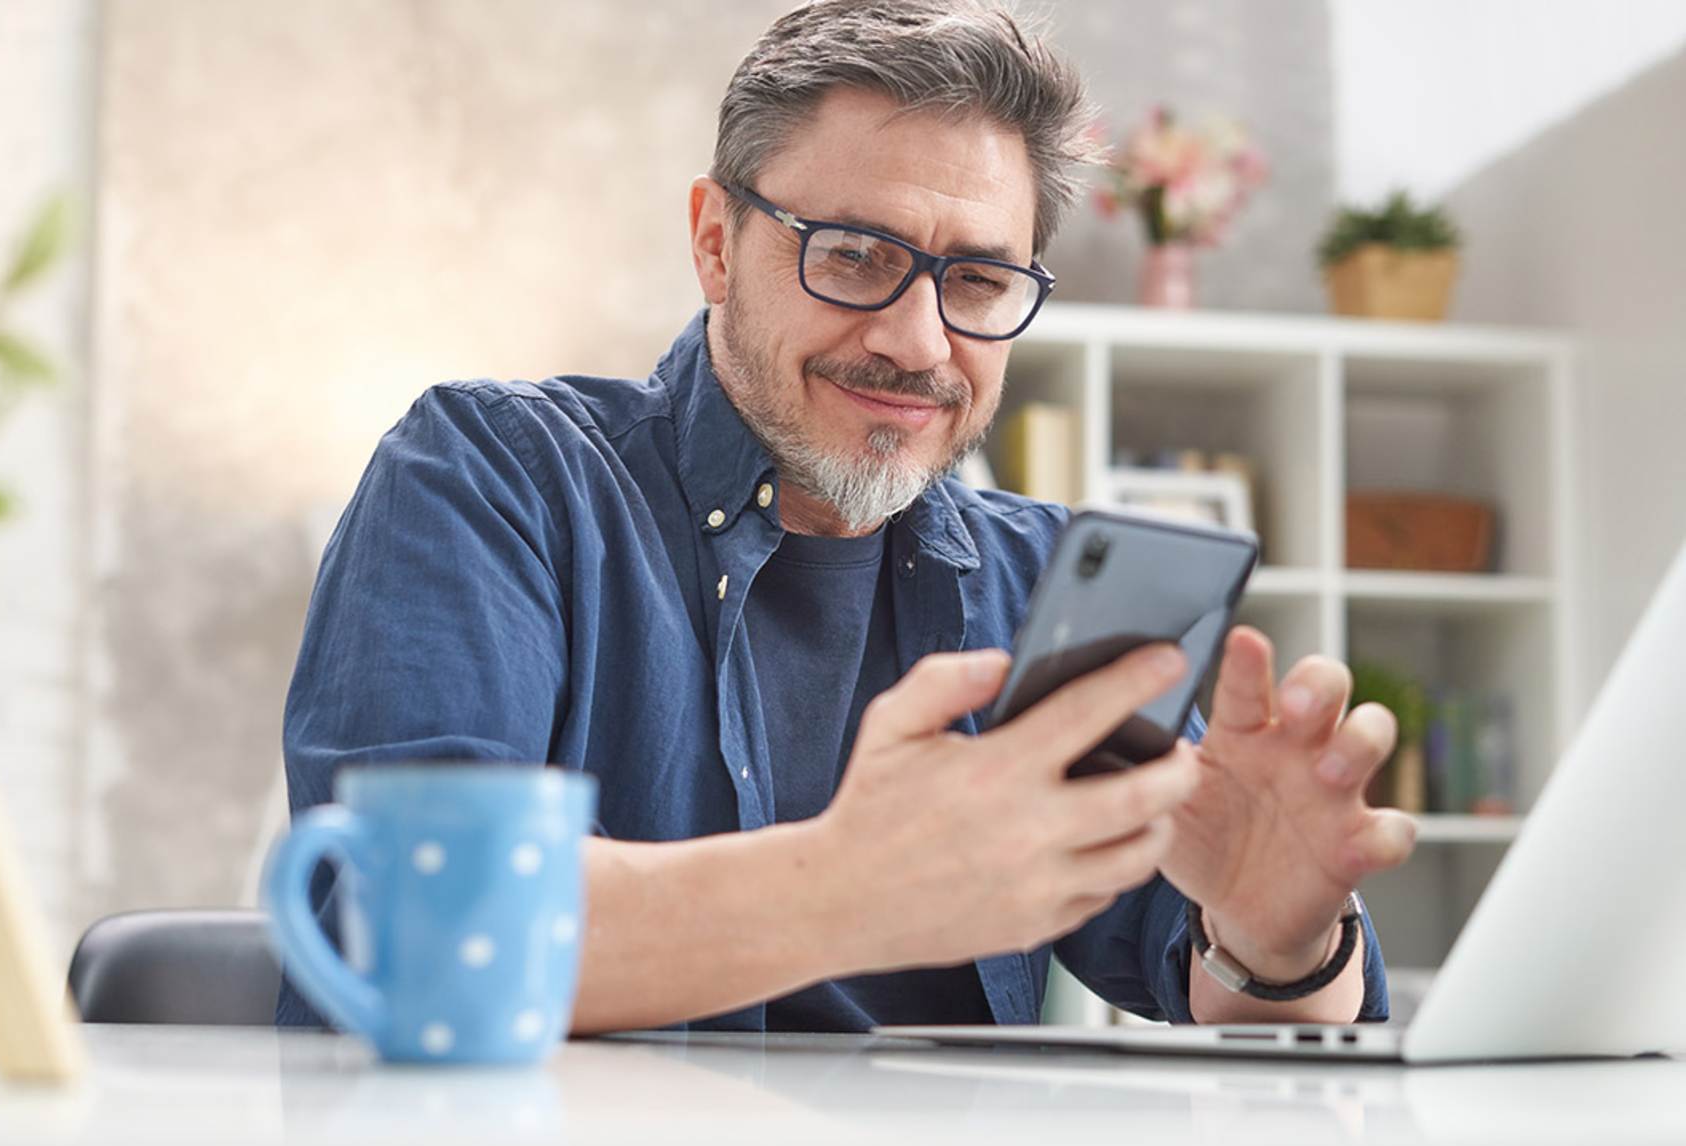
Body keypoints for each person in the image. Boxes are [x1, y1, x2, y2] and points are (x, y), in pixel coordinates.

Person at [279, 0, 1415, 1034]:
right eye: (857, 256)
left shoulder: (1037, 580)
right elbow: (415, 931)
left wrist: (1276, 936)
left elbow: (1217, 986)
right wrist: (853, 886)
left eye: (976, 282)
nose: (919, 343)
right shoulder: (495, 477)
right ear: (716, 242)